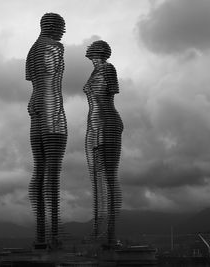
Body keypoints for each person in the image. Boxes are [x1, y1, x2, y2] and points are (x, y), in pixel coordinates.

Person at [26, 13, 67, 248]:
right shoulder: (54, 46)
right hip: (52, 114)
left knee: (39, 171)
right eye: (62, 27)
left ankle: (41, 236)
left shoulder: (31, 51)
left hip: (35, 113)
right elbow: (54, 82)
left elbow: (35, 85)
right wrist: (56, 113)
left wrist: (35, 108)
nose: (63, 32)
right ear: (54, 27)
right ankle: (55, 235)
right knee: (53, 173)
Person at [84, 40, 123, 246]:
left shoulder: (108, 69)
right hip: (95, 126)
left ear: (99, 51)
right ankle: (98, 229)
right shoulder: (94, 73)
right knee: (96, 178)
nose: (87, 49)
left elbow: (109, 96)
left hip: (108, 123)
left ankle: (110, 234)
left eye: (91, 46)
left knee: (108, 178)